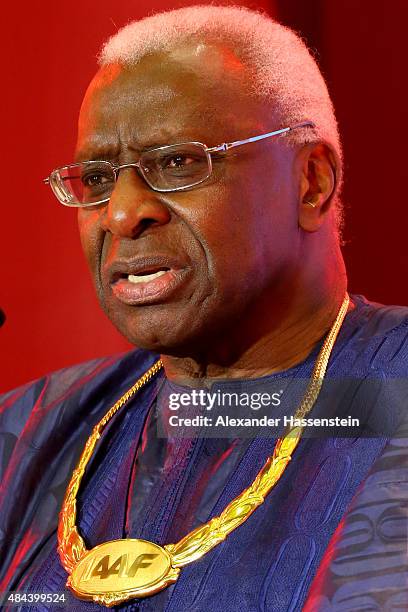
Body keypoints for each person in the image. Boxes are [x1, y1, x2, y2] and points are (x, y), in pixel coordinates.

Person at [0, 5, 407, 611]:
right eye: (96, 177)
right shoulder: (26, 429)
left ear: (312, 182)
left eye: (176, 162)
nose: (120, 214)